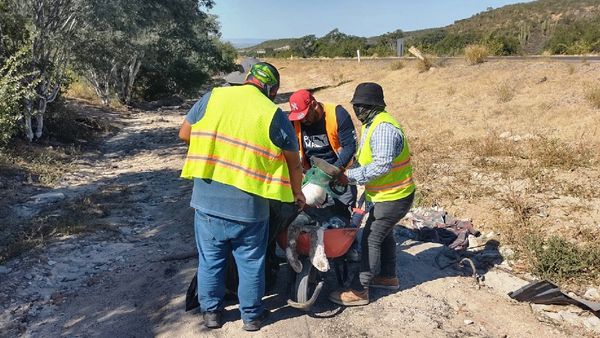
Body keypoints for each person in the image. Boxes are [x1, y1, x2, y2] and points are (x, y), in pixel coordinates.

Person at [179, 62, 305, 331]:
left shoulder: (213, 96)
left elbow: (184, 133)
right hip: (250, 208)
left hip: (207, 202)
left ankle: (211, 313)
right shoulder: (273, 113)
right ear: (271, 90)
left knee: (211, 259)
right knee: (250, 262)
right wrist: (297, 193)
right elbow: (294, 163)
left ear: (248, 79)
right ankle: (251, 317)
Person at [328, 82, 416, 307]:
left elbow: (381, 166)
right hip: (385, 194)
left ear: (373, 106)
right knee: (385, 234)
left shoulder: (383, 128)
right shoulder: (371, 124)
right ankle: (388, 277)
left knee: (371, 238)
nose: (357, 110)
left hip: (394, 195)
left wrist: (350, 177)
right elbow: (365, 158)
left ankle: (359, 289)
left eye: (361, 106)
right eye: (356, 105)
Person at [287, 89, 357, 220]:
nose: (302, 120)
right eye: (299, 117)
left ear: (314, 105)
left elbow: (350, 147)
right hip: (312, 174)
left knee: (342, 215)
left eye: (305, 115)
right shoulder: (296, 121)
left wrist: (331, 171)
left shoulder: (337, 114)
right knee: (312, 214)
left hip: (339, 172)